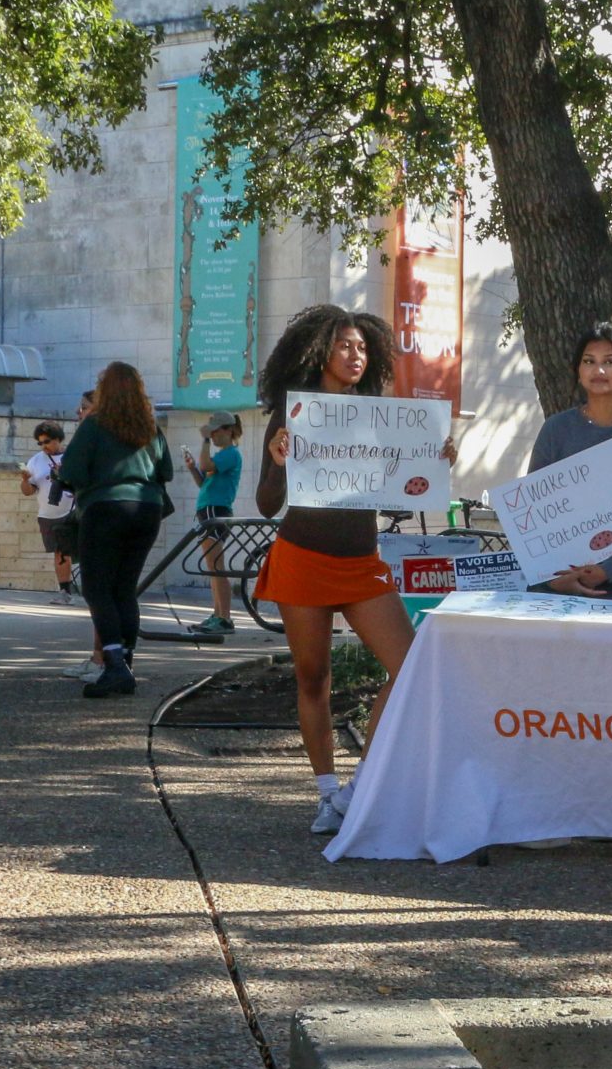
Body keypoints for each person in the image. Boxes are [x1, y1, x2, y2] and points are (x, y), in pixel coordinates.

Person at [256, 305, 457, 834]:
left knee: (409, 666)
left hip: (361, 563)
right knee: (313, 677)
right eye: (345, 345)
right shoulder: (291, 415)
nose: (355, 355)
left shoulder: (379, 415)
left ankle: (361, 785)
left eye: (363, 348)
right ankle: (326, 794)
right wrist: (278, 462)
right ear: (320, 349)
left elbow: (402, 484)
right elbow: (265, 504)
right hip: (302, 558)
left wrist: (432, 463)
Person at [57, 362, 174, 699]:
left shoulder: (95, 424)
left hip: (105, 508)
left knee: (97, 588)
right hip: (147, 509)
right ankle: (126, 663)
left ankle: (113, 665)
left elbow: (72, 469)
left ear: (104, 390)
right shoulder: (149, 427)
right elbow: (165, 469)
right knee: (124, 588)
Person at [527, 324, 612, 604]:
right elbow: (535, 513)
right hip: (563, 584)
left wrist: (611, 568)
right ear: (578, 370)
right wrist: (555, 577)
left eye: (610, 362)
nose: (599, 371)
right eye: (589, 361)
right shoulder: (555, 430)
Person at [185, 411, 245, 635]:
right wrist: (192, 467)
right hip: (208, 509)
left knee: (217, 566)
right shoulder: (223, 456)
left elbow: (206, 463)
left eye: (216, 430)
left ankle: (225, 618)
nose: (214, 434)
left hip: (216, 510)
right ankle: (218, 614)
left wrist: (205, 440)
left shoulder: (230, 454)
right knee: (212, 567)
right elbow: (204, 480)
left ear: (229, 430)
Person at [20, 419, 78, 603]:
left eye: (47, 441)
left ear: (58, 439)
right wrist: (24, 480)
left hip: (73, 511)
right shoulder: (36, 461)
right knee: (60, 553)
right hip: (48, 514)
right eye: (40, 443)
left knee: (82, 550)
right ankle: (65, 592)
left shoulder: (73, 456)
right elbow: (28, 491)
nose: (43, 446)